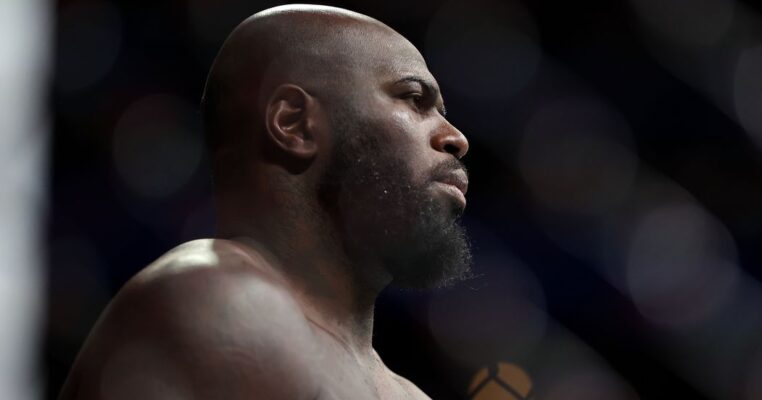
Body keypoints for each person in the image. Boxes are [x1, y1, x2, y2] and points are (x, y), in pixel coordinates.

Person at [58, 4, 471, 399]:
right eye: (414, 99)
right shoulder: (220, 301)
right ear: (294, 123)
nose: (456, 138)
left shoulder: (409, 393)